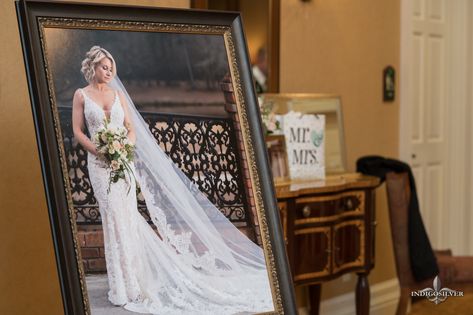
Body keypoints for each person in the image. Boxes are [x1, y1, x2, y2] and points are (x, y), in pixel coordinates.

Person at [72, 46, 273, 314]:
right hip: (99, 166)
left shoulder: (118, 94)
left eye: (111, 68)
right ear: (93, 67)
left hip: (123, 164)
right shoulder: (81, 95)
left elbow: (131, 130)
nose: (108, 72)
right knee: (113, 217)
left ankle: (135, 280)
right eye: (104, 67)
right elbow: (77, 131)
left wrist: (123, 150)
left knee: (128, 217)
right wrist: (101, 151)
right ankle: (121, 284)